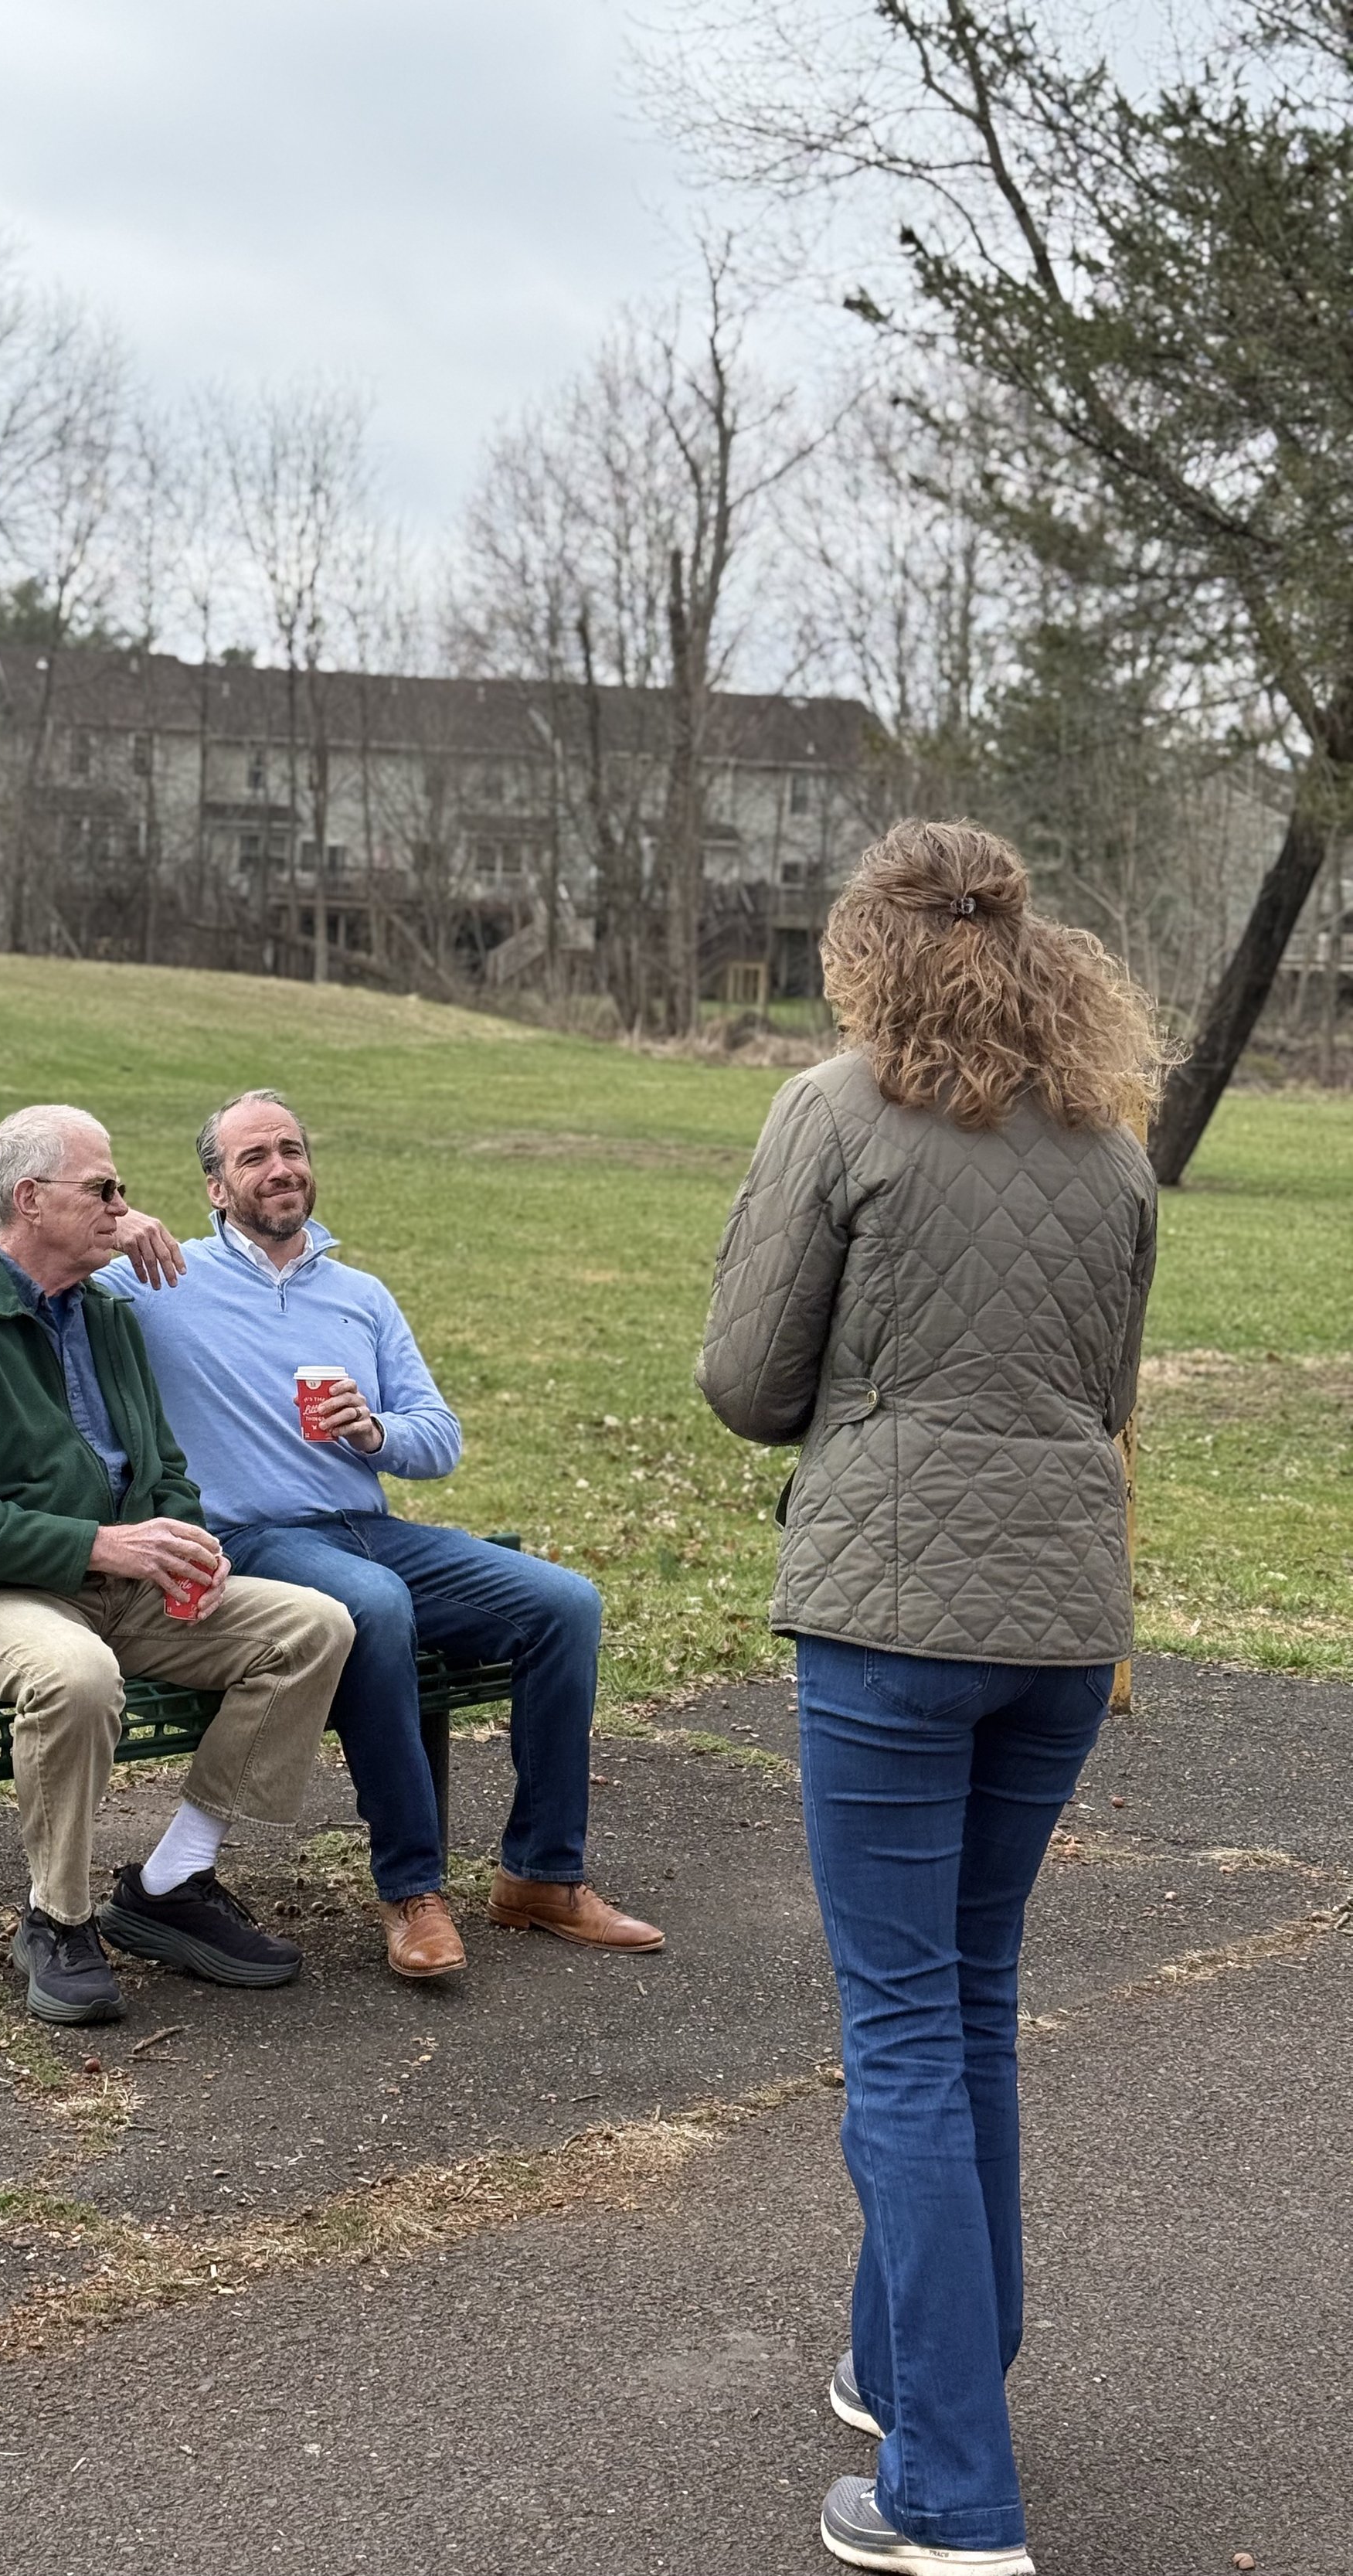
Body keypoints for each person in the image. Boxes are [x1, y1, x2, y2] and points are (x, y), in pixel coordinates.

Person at [697, 821, 1162, 2576]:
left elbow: (748, 1380)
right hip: (1057, 1618)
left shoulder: (833, 1110)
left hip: (895, 1614)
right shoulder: (1108, 1144)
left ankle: (953, 2499)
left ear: (868, 951)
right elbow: (1103, 1385)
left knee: (901, 2029)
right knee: (968, 2008)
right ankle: (920, 2368)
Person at [100, 1087, 664, 1982]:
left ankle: (542, 1876)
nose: (280, 1168)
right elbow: (35, 1278)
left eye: (291, 1149)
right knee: (374, 1604)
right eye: (253, 1157)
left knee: (565, 1603)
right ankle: (411, 1890)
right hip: (251, 1540)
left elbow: (437, 1436)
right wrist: (117, 1233)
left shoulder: (359, 1295)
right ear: (215, 1188)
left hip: (366, 1522)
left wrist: (375, 1433)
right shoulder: (158, 1281)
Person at [0, 1103, 355, 2029]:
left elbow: (160, 1466)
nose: (124, 1209)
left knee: (312, 1625)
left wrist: (181, 1543)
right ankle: (57, 1919)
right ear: (29, 1199)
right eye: (103, 1189)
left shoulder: (107, 1316)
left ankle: (171, 1883)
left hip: (113, 1593)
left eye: (119, 1188)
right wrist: (98, 1545)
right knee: (76, 1674)